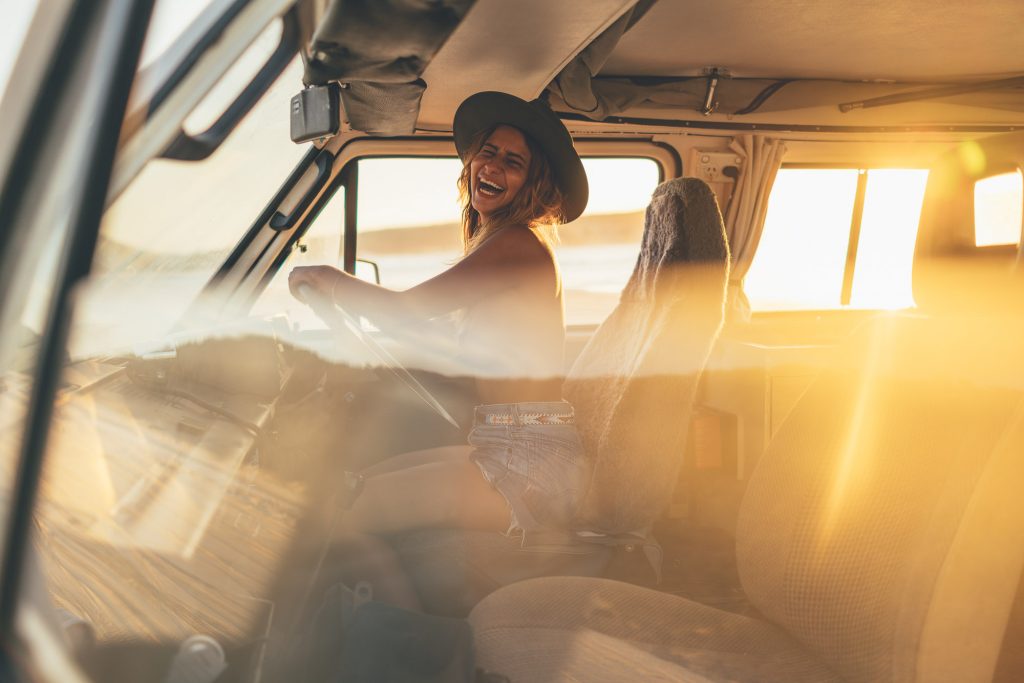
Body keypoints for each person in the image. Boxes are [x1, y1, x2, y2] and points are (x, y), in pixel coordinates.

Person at [288, 93, 591, 600]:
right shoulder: (503, 242)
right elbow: (434, 336)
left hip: (528, 466)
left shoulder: (519, 244)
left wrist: (324, 277)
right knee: (354, 482)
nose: (492, 166)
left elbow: (406, 310)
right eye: (488, 151)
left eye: (513, 162)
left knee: (342, 513)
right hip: (507, 447)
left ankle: (383, 633)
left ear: (532, 183)